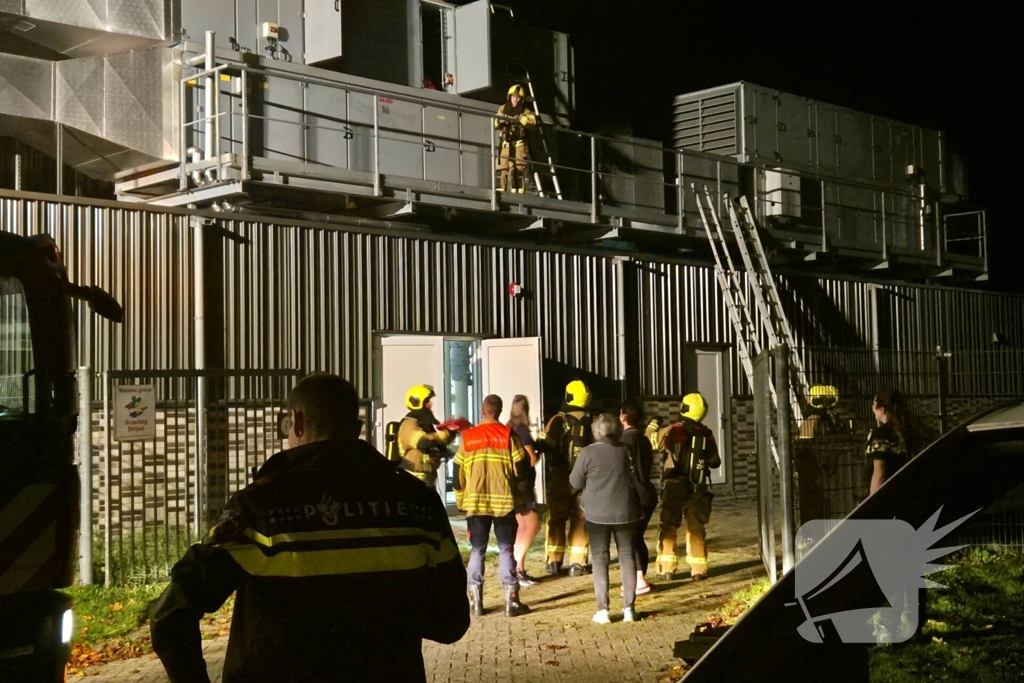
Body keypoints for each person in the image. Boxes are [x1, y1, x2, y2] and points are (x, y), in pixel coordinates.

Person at [150, 374, 469, 683]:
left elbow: (171, 615)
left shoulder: (262, 506)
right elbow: (450, 623)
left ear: (297, 421)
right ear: (357, 429)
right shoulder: (418, 505)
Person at [453, 394, 531, 617]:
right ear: (500, 411)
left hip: (476, 504)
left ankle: (475, 602)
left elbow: (458, 477)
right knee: (506, 549)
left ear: (481, 410)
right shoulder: (508, 436)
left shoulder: (468, 438)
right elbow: (522, 470)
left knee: (477, 550)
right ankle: (512, 602)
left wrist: (462, 500)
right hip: (504, 503)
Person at [570, 413, 641, 624]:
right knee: (627, 557)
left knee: (600, 559)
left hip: (597, 513)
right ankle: (629, 608)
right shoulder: (625, 451)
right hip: (626, 512)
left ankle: (603, 610)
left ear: (596, 430)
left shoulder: (587, 453)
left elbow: (575, 481)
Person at [646, 392, 721, 581]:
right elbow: (715, 462)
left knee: (668, 525)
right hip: (698, 487)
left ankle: (666, 569)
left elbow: (649, 441)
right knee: (696, 526)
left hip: (675, 486)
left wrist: (653, 424)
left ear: (684, 408)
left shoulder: (673, 430)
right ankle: (698, 571)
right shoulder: (706, 433)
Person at [542, 380, 593, 576]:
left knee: (556, 518)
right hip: (584, 479)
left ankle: (553, 562)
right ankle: (578, 564)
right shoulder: (592, 422)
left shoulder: (558, 420)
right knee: (580, 519)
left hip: (560, 477)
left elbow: (545, 444)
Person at [620, 401, 656, 596]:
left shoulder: (625, 441)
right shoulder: (643, 439)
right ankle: (640, 577)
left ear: (623, 416)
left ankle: (639, 580)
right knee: (637, 537)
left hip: (634, 495)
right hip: (648, 492)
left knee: (631, 538)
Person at [507, 394, 542, 586]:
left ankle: (516, 567)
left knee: (522, 527)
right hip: (524, 485)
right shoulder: (523, 431)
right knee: (533, 524)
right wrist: (540, 449)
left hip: (512, 485)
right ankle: (517, 569)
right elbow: (531, 459)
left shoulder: (508, 428)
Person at [397, 384, 455, 489]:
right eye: (427, 401)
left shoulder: (424, 425)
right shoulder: (409, 424)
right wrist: (445, 434)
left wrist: (452, 433)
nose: (430, 403)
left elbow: (435, 442)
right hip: (413, 479)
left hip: (427, 478)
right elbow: (424, 442)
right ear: (417, 403)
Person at [868, 388, 917, 495]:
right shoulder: (914, 431)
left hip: (892, 496)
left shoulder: (881, 435)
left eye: (874, 404)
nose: (872, 407)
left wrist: (873, 503)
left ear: (882, 409)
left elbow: (879, 473)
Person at [494, 84, 536, 193]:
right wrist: (499, 122)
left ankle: (517, 195)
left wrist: (522, 118)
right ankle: (499, 193)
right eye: (513, 97)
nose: (515, 100)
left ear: (521, 99)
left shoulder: (525, 110)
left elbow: (532, 121)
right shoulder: (503, 108)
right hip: (505, 145)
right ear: (509, 97)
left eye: (518, 97)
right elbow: (495, 122)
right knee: (500, 169)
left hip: (519, 146)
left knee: (517, 171)